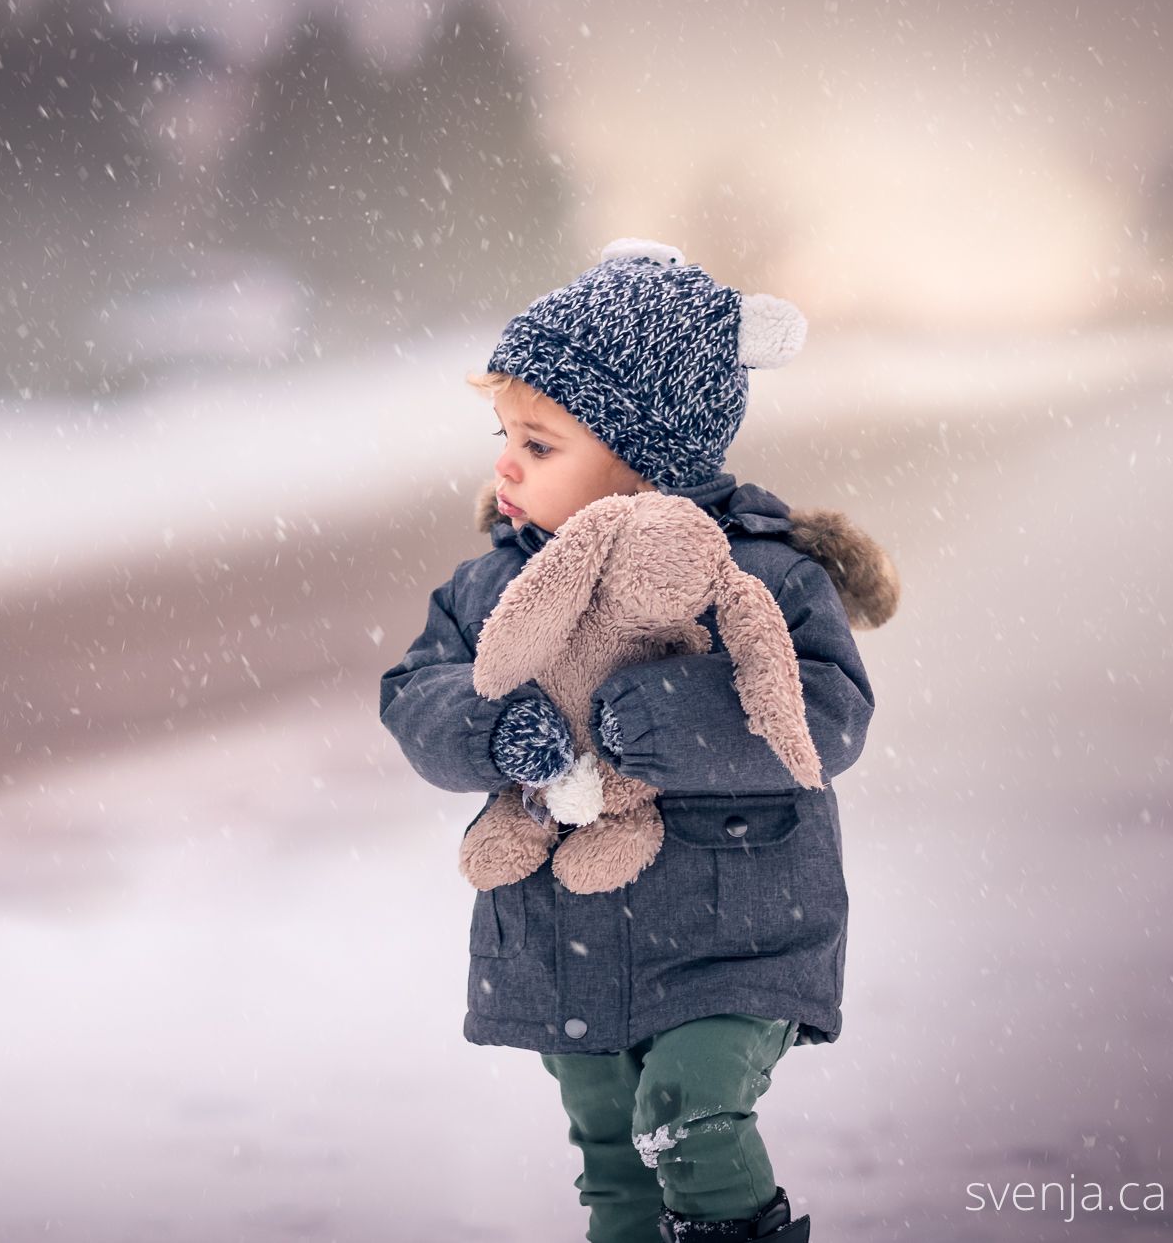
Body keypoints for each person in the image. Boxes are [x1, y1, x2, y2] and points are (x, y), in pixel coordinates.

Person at [377, 238, 895, 1243]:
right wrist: (489, 728)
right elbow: (415, 694)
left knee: (689, 1120)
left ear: (643, 455)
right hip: (565, 934)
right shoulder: (490, 586)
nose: (504, 464)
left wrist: (674, 719)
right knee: (613, 1162)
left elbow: (828, 715)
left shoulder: (763, 576)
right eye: (503, 435)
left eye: (538, 442)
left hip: (731, 929)